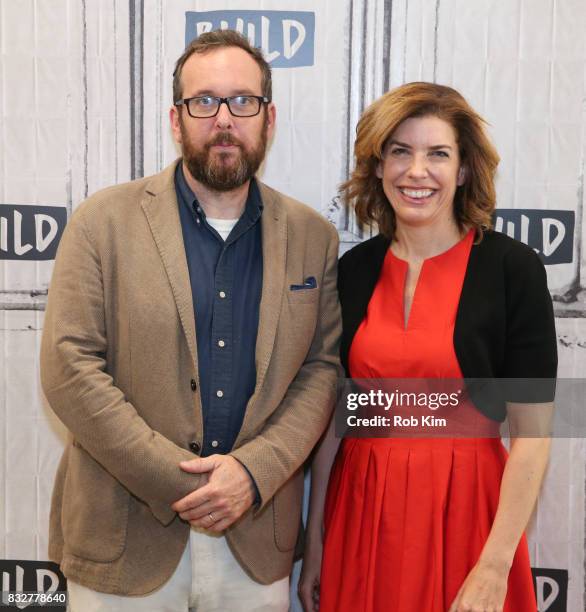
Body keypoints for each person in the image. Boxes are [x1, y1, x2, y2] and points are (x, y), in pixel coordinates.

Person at [40, 29, 340, 611]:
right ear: (176, 121)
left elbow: (321, 370)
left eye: (242, 101)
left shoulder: (312, 237)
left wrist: (252, 475)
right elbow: (69, 369)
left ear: (268, 118)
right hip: (125, 542)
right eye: (203, 102)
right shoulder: (102, 222)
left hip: (256, 543)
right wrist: (186, 487)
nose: (223, 119)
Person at [299, 82, 557, 612]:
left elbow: (533, 437)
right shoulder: (352, 271)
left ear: (463, 170)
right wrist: (317, 544)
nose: (417, 171)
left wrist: (495, 563)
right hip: (362, 512)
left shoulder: (513, 269)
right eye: (400, 151)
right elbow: (337, 423)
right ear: (377, 166)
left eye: (437, 153)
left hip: (468, 515)